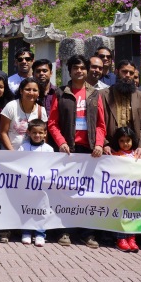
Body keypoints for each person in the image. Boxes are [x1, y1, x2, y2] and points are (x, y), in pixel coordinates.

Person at [48, 54, 107, 248]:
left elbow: (100, 124)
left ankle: (87, 233)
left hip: (89, 150)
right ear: (70, 70)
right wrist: (61, 142)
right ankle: (64, 230)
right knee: (64, 191)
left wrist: (98, 144)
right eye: (75, 68)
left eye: (82, 68)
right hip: (67, 150)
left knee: (87, 193)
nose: (79, 71)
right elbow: (53, 123)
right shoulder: (61, 93)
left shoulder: (94, 94)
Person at [101, 60, 141, 160]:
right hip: (110, 150)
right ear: (116, 72)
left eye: (131, 73)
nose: (128, 75)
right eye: (124, 72)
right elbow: (97, 123)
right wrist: (104, 144)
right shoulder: (103, 94)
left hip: (134, 151)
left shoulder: (139, 96)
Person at [18, 119, 53, 247]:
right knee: (27, 208)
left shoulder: (49, 149)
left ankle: (40, 233)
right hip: (27, 186)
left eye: (40, 133)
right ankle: (26, 232)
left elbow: (52, 167)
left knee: (42, 209)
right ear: (28, 133)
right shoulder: (24, 147)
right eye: (34, 133)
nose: (37, 135)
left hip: (42, 188)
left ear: (45, 133)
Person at [111, 126, 141, 253]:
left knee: (133, 214)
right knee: (121, 215)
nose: (125, 144)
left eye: (128, 140)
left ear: (133, 140)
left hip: (134, 192)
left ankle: (132, 238)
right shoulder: (114, 155)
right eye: (122, 141)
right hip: (120, 192)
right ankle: (121, 238)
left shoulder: (138, 155)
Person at [0, 77, 48, 151]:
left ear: (38, 93)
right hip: (10, 154)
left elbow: (44, 135)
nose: (31, 93)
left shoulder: (41, 111)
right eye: (28, 89)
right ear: (21, 91)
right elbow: (3, 132)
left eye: (35, 90)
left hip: (32, 156)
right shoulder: (11, 106)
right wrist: (12, 152)